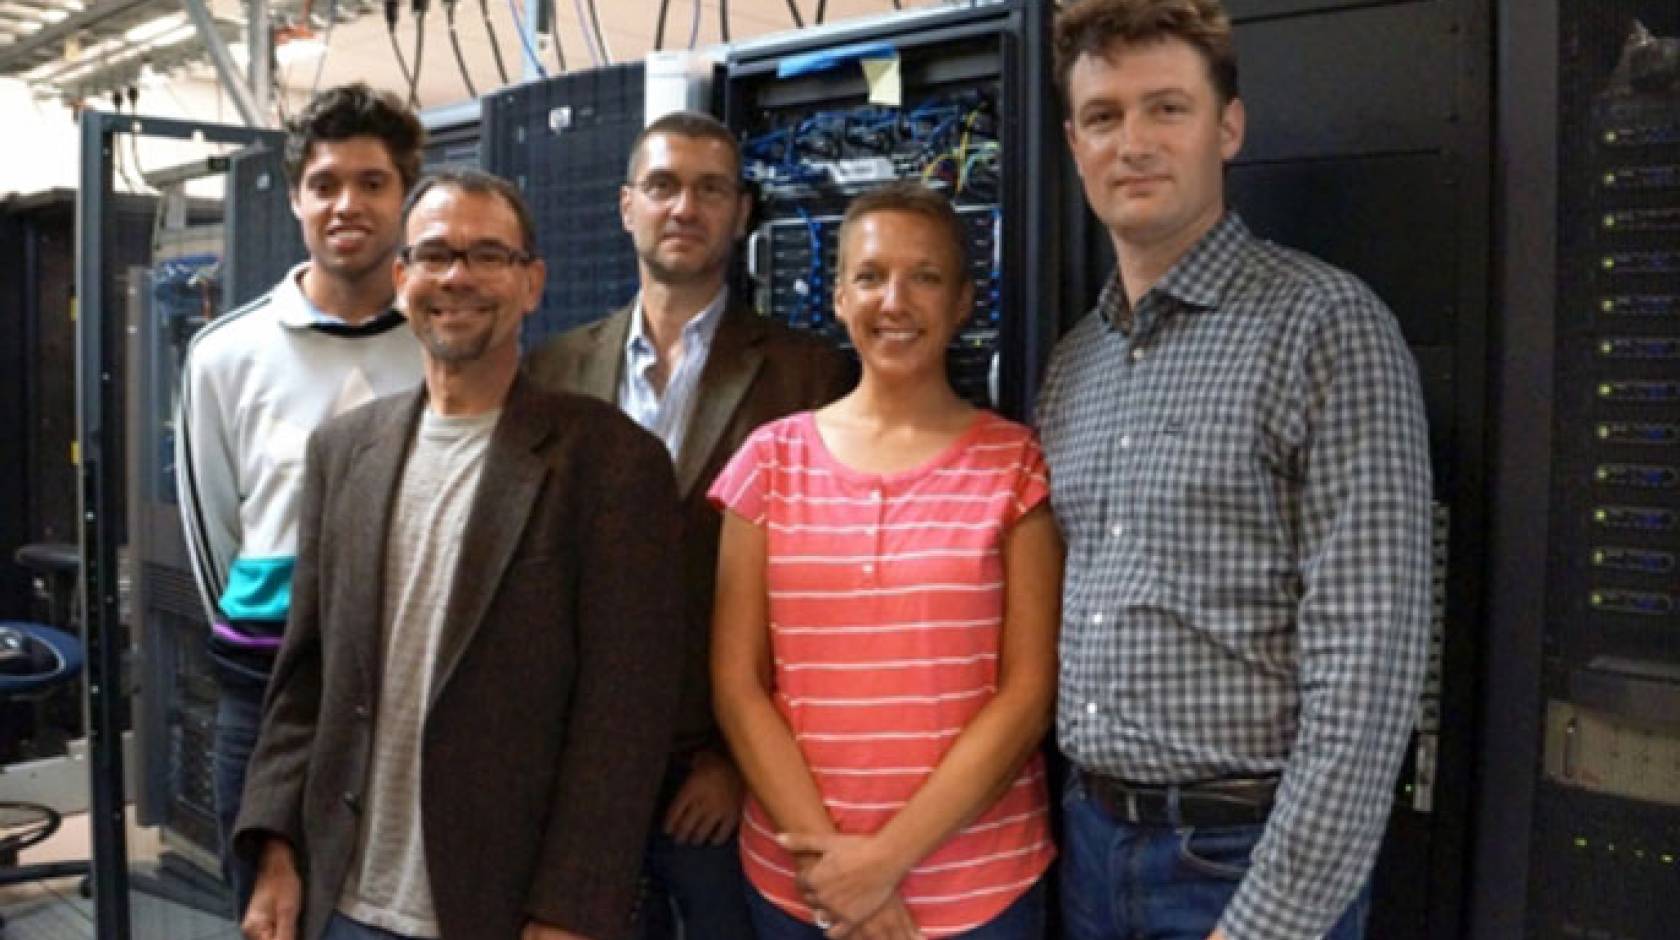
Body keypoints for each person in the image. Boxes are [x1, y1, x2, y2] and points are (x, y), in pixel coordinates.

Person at [1039, 2, 1434, 938]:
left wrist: (1272, 920)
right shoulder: (1073, 365)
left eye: (1166, 109)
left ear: (1229, 127)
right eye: (1103, 116)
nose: (1132, 142)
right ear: (1073, 141)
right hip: (1088, 847)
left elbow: (1370, 674)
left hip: (1240, 861)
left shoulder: (1326, 327)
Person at [233, 169, 684, 940]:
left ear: (532, 283)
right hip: (342, 894)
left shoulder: (610, 462)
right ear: (402, 278)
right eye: (435, 255)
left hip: (505, 905)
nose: (458, 278)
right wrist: (277, 848)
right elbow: (304, 677)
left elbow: (624, 717)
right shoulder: (345, 451)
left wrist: (571, 908)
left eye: (488, 256)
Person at [526, 109, 851, 938]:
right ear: (626, 204)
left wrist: (739, 763)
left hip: (714, 778)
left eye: (712, 189)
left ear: (742, 213)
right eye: (664, 186)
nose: (686, 207)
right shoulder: (551, 370)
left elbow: (820, 603)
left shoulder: (808, 373)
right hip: (579, 770)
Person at [710, 181, 1063, 939]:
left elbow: (1028, 693)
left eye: (925, 277)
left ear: (964, 301)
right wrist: (841, 879)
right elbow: (739, 685)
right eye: (870, 276)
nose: (894, 300)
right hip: (803, 890)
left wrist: (885, 862)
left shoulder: (1016, 465)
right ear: (838, 296)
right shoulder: (768, 462)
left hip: (980, 892)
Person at [175, 82, 426, 914]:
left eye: (372, 182)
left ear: (404, 197)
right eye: (324, 184)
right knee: (269, 909)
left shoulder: (446, 345)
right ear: (295, 199)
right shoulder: (225, 354)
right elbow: (215, 534)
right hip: (268, 692)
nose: (346, 203)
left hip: (410, 692)